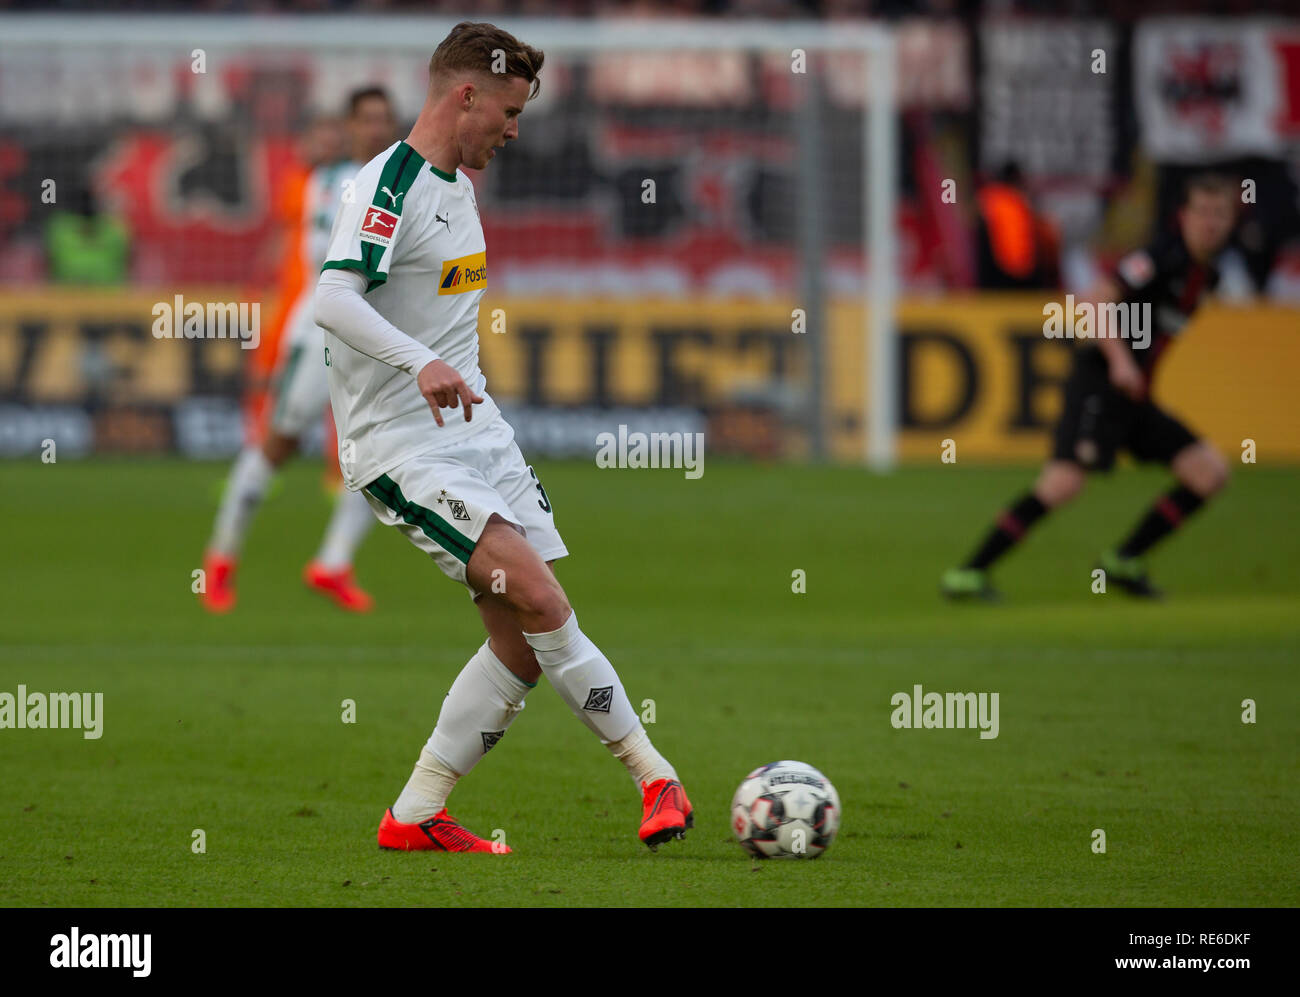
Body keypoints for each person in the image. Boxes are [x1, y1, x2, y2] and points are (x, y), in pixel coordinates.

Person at [313, 22, 691, 853]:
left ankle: (414, 813)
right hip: (405, 452)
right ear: (465, 95)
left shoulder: (457, 185)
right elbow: (333, 298)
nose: (515, 130)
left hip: (479, 436)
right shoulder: (391, 185)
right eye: (510, 111)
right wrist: (418, 364)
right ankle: (654, 774)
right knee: (546, 601)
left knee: (521, 646)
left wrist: (461, 388)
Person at [942, 173, 1238, 600]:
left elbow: (1150, 332)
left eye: (1220, 214)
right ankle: (968, 574)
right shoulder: (1159, 257)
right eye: (1203, 212)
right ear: (1184, 216)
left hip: (1135, 398)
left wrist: (1137, 373)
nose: (1210, 223)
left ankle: (1124, 560)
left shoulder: (1206, 274)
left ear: (1231, 220)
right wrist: (1120, 363)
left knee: (1208, 473)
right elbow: (1094, 300)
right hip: (1100, 383)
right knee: (1062, 484)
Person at [201, 88, 398, 613]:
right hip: (320, 333)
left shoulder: (408, 183)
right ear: (351, 127)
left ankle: (332, 563)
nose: (376, 129)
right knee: (280, 443)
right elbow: (323, 256)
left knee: (378, 453)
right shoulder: (329, 183)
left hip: (372, 337)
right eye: (366, 120)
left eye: (385, 119)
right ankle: (221, 557)